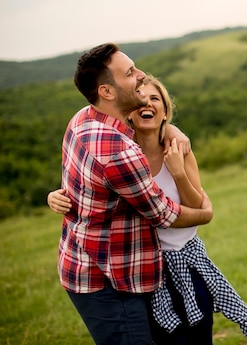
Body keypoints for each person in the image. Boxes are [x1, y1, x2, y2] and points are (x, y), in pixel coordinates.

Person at [49, 75, 247, 344]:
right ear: (128, 112)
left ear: (165, 112)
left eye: (155, 99)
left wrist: (179, 173)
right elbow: (88, 188)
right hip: (148, 271)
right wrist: (54, 196)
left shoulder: (179, 150)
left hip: (188, 262)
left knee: (200, 337)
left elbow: (194, 206)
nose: (146, 104)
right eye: (140, 98)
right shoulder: (121, 155)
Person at [53, 43, 214, 345]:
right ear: (107, 92)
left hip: (86, 261)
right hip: (107, 280)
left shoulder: (83, 118)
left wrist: (171, 129)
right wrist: (206, 214)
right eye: (129, 73)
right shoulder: (119, 151)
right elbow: (164, 214)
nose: (140, 75)